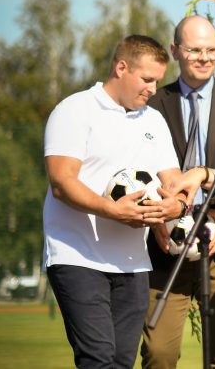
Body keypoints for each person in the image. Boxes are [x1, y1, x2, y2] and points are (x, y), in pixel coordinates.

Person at [43, 35, 201, 368]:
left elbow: (174, 182)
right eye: (147, 79)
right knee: (97, 358)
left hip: (132, 262)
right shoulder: (74, 110)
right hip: (77, 255)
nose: (153, 89)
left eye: (158, 80)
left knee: (121, 361)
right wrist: (113, 210)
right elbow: (61, 182)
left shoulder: (153, 121)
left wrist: (179, 206)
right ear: (121, 67)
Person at [141, 16, 215, 369]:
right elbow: (137, 168)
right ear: (176, 50)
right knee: (159, 353)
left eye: (211, 50)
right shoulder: (153, 104)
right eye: (194, 49)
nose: (204, 58)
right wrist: (153, 221)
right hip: (164, 247)